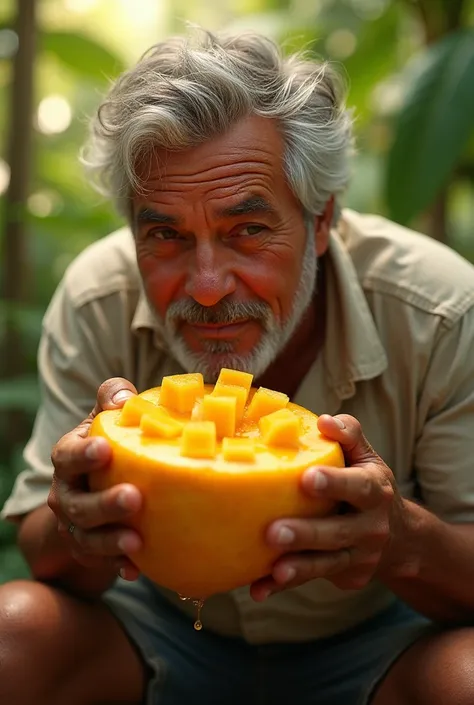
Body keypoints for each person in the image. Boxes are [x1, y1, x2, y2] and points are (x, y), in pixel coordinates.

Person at [1, 27, 474, 705]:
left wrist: (400, 540)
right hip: (154, 633)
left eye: (247, 230)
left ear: (320, 220)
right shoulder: (97, 298)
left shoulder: (441, 311)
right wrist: (79, 521)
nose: (208, 285)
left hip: (378, 645)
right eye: (165, 234)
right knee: (12, 635)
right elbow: (43, 553)